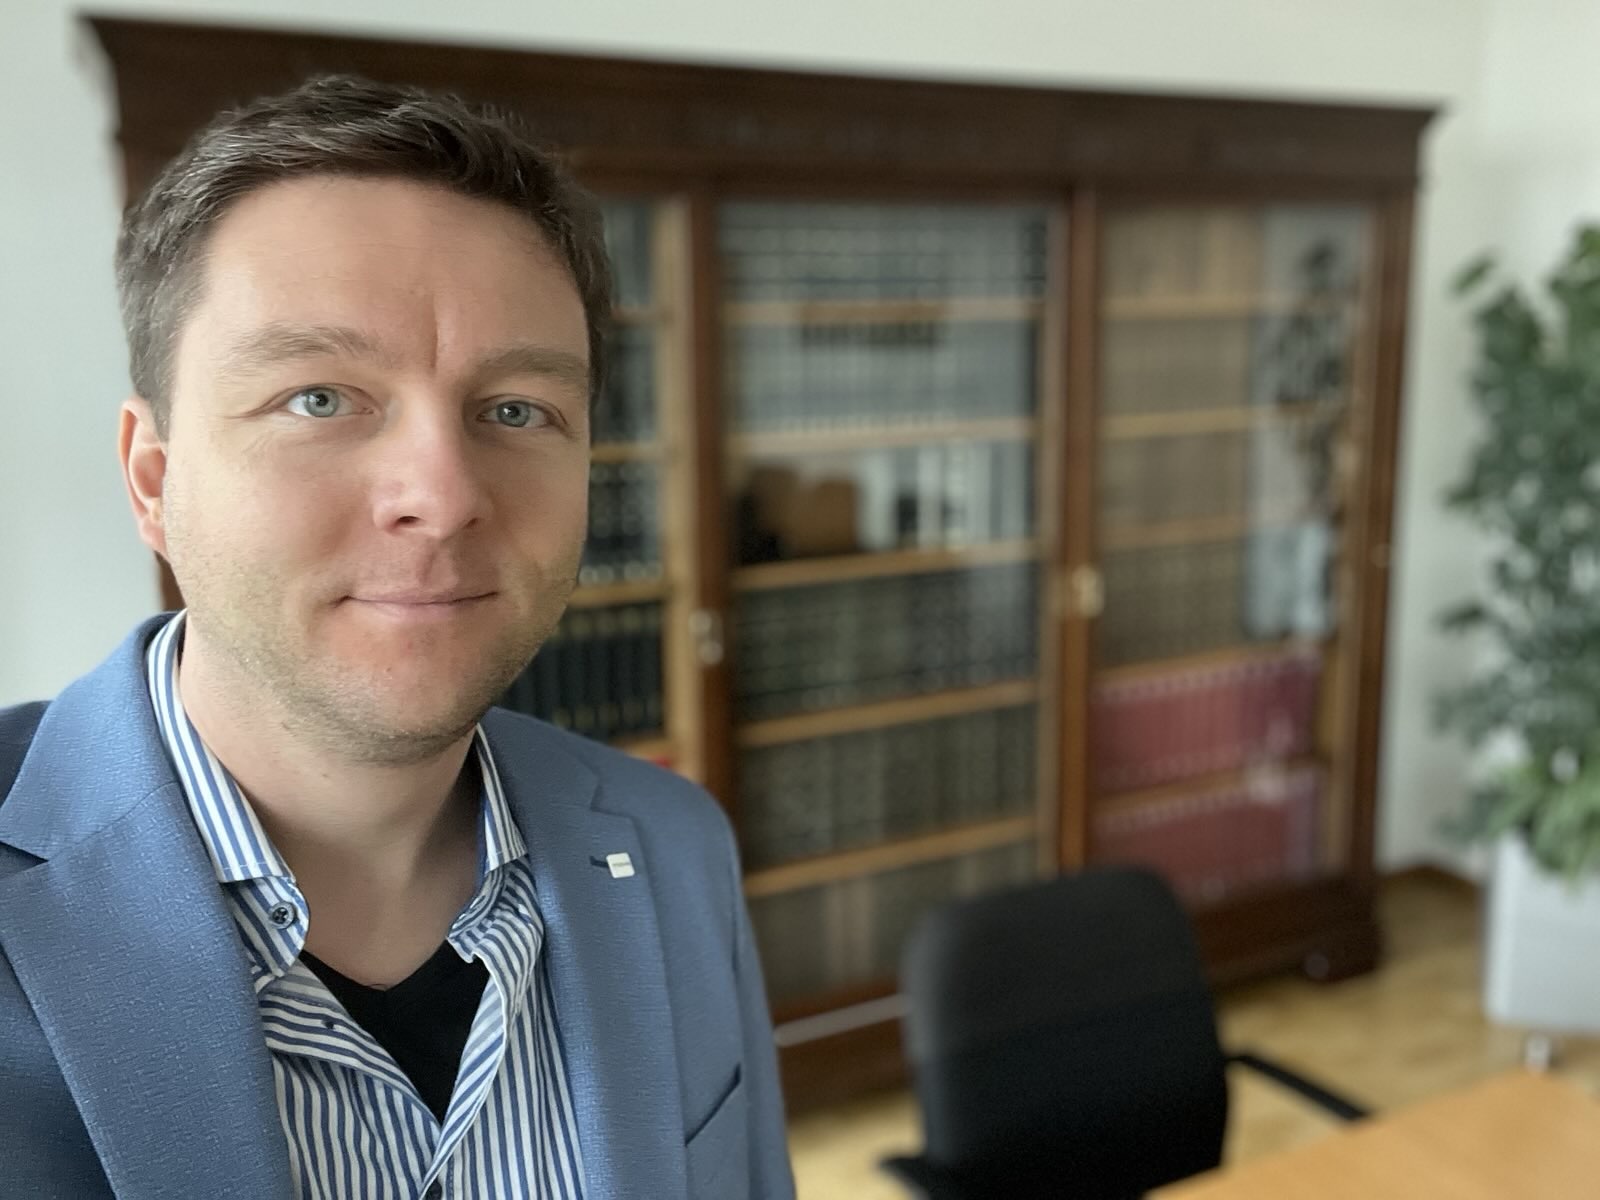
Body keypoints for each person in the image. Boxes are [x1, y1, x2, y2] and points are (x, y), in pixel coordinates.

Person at [0, 74, 794, 1200]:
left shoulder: (675, 843)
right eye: (320, 398)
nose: (444, 495)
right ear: (154, 479)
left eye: (516, 410)